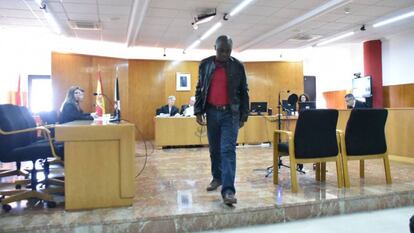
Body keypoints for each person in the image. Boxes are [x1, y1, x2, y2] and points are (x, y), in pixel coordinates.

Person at [194, 35, 249, 205]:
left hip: (230, 114)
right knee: (214, 150)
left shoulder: (238, 66)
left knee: (227, 150)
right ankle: (217, 178)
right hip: (211, 112)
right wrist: (198, 111)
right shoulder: (205, 65)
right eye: (221, 50)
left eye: (228, 51)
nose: (224, 54)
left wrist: (244, 115)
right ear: (214, 48)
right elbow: (200, 89)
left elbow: (244, 92)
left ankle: (228, 191)